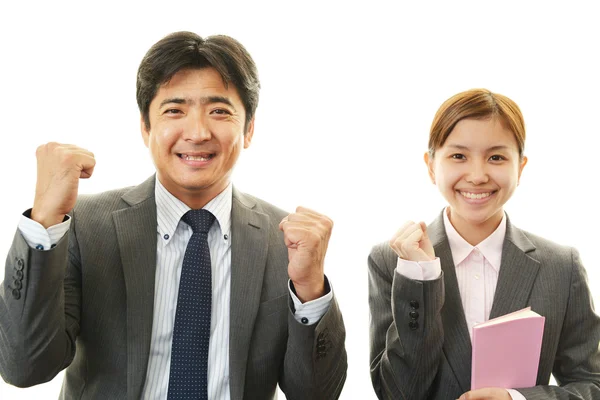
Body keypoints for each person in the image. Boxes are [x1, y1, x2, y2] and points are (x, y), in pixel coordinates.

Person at [0, 31, 347, 400]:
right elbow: (24, 366)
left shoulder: (286, 241)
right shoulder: (86, 227)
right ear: (145, 127)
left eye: (219, 111)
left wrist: (310, 289)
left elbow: (316, 394)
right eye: (174, 110)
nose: (197, 133)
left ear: (248, 129)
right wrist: (44, 223)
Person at [368, 89, 600, 400]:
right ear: (431, 165)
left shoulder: (561, 266)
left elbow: (592, 384)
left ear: (520, 167)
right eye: (458, 156)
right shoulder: (391, 260)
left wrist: (517, 399)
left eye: (496, 157)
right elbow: (396, 393)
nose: (477, 176)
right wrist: (419, 278)